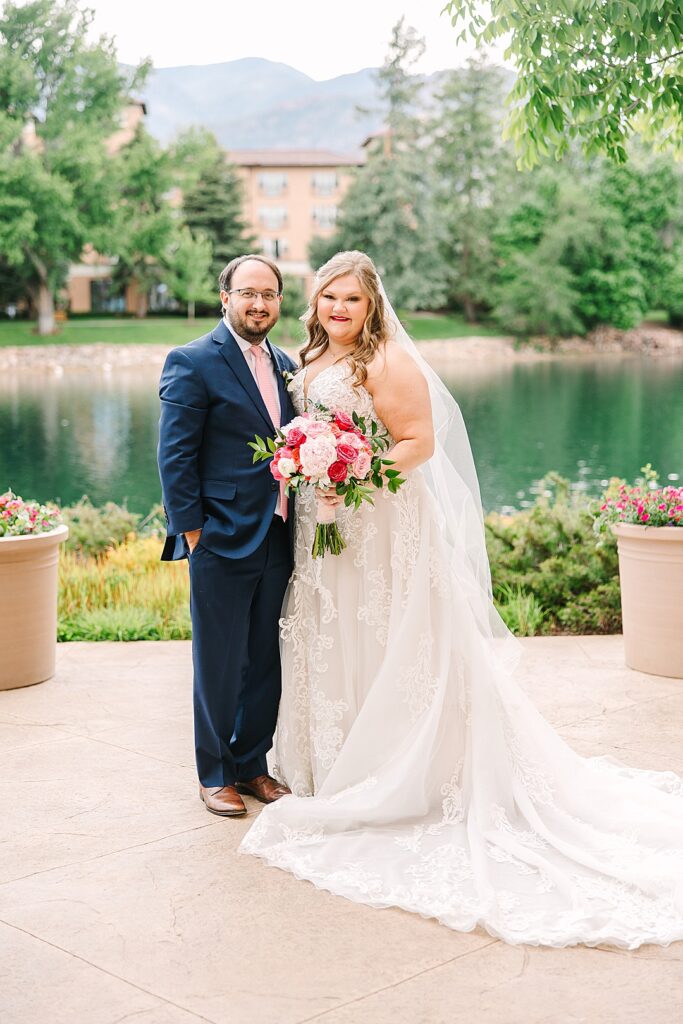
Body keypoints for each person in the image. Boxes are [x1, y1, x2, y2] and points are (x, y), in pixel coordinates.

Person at [240, 250, 683, 949]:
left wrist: (353, 470)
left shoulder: (385, 363)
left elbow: (418, 441)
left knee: (385, 631)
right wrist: (306, 462)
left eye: (351, 301)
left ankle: (398, 770)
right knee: (334, 631)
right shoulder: (315, 356)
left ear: (372, 306)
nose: (338, 310)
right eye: (329, 298)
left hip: (379, 521)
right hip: (329, 526)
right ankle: (333, 764)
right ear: (316, 302)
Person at [158, 255, 296, 817]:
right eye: (247, 293)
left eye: (269, 294)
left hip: (280, 535)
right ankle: (214, 774)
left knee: (265, 658)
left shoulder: (287, 364)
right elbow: (175, 457)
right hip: (218, 537)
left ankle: (251, 764)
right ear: (225, 297)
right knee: (219, 660)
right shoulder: (192, 361)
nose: (258, 303)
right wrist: (194, 533)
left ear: (279, 302)